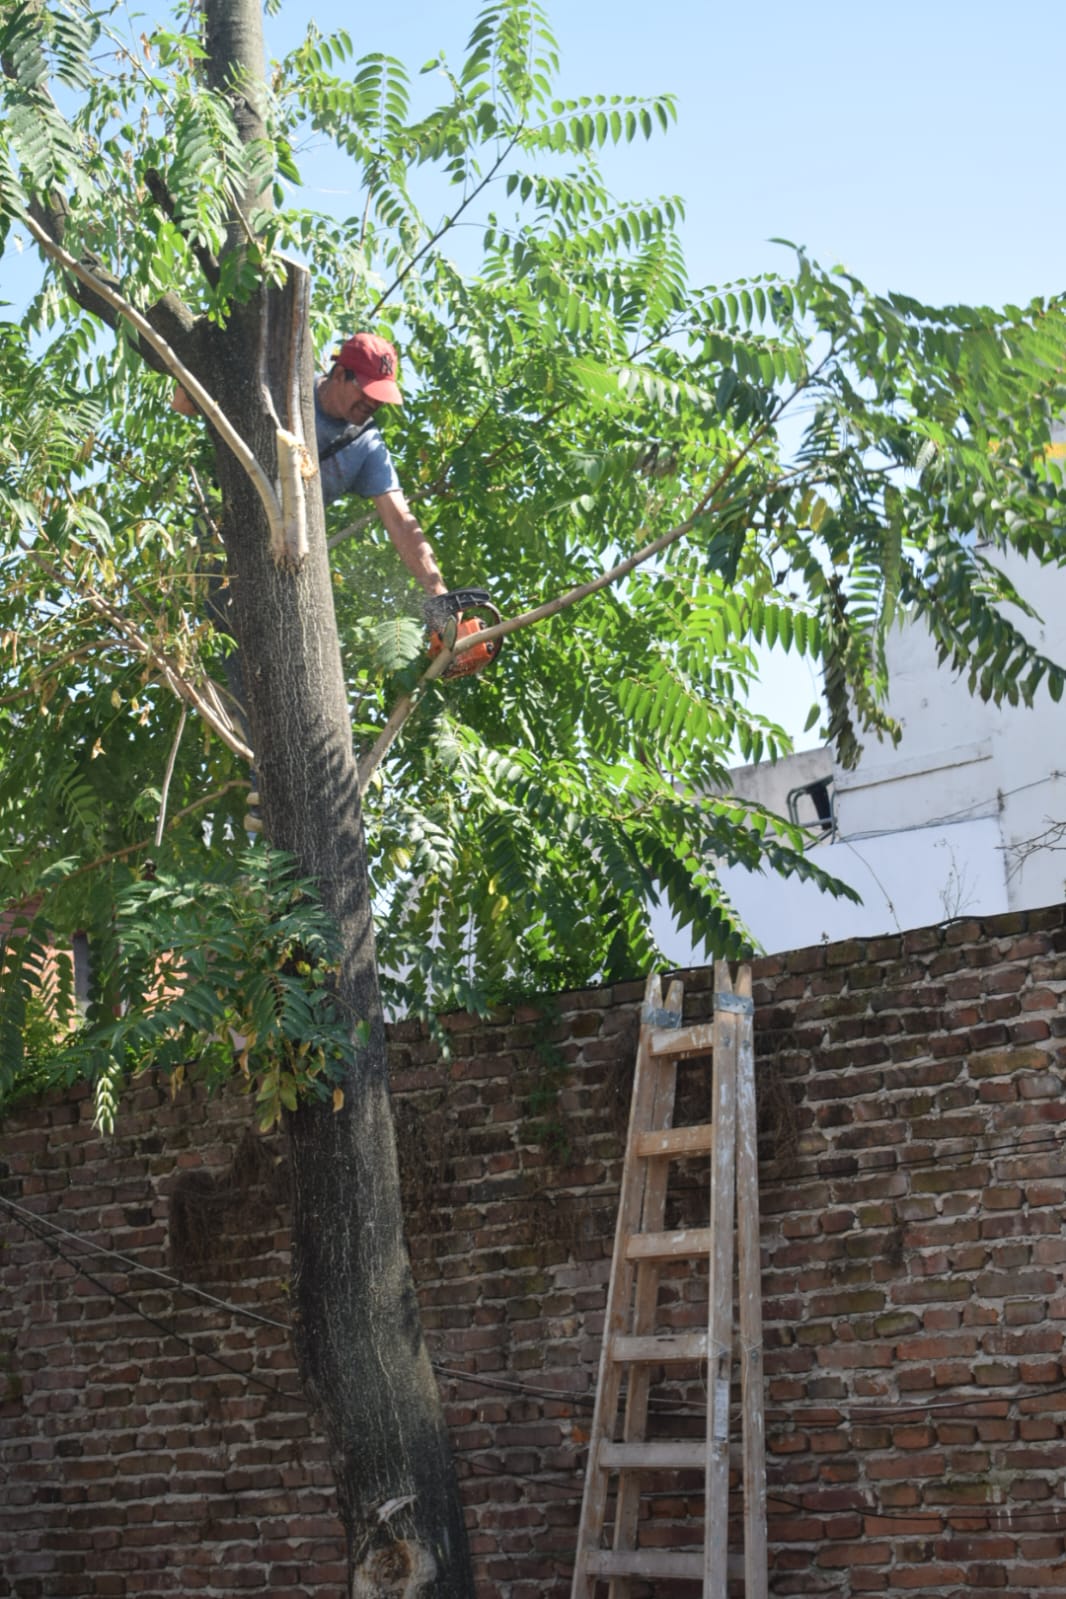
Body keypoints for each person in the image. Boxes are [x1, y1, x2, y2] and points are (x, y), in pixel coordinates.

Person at [173, 331, 448, 602]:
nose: (373, 403)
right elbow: (183, 404)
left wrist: (440, 596)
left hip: (285, 564)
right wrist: (208, 358)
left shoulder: (366, 444)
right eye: (366, 391)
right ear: (339, 374)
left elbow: (400, 520)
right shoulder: (281, 388)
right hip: (218, 537)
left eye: (380, 395)